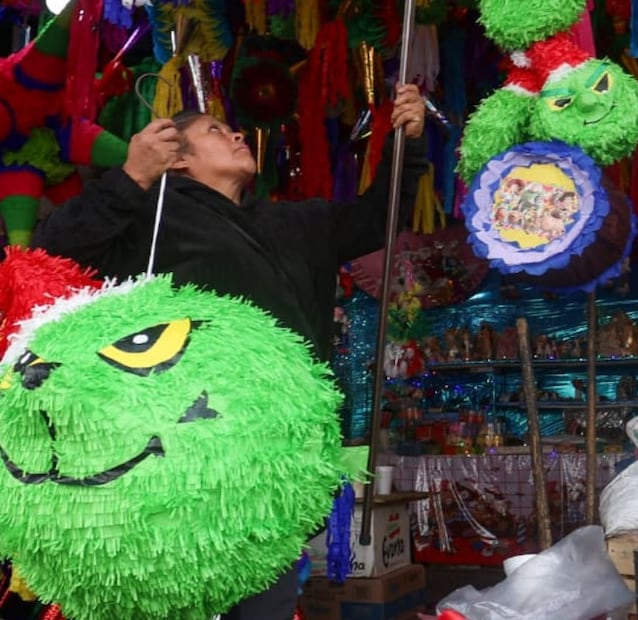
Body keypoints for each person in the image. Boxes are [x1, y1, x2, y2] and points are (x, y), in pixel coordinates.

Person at [31, 83, 429, 619]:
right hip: (184, 450)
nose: (238, 133)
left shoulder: (294, 222)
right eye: (216, 131)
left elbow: (375, 218)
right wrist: (132, 177)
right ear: (177, 159)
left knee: (268, 594)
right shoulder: (150, 217)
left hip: (274, 448)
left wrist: (408, 144)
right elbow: (55, 248)